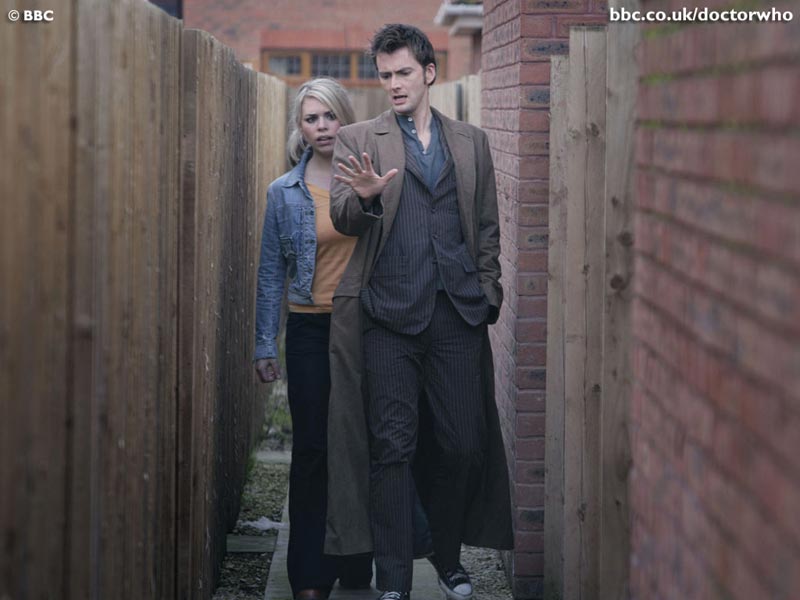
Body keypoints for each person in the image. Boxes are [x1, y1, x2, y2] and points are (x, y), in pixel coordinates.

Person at [326, 24, 514, 600]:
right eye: (385, 75)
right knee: (392, 450)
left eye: (404, 72)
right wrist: (365, 197)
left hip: (457, 314)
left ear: (429, 73)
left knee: (464, 445)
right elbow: (341, 217)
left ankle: (448, 557)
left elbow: (486, 226)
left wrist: (488, 291)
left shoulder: (471, 142)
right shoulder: (360, 138)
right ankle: (394, 582)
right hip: (389, 319)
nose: (394, 84)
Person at [254, 78, 372, 600]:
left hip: (365, 327)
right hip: (309, 329)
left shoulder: (369, 177)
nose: (322, 127)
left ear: (346, 117)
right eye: (311, 119)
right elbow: (270, 274)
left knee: (362, 446)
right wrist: (265, 344)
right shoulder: (283, 192)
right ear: (300, 129)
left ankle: (356, 560)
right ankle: (309, 574)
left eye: (330, 116)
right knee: (312, 449)